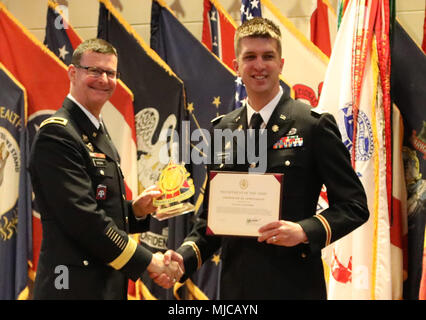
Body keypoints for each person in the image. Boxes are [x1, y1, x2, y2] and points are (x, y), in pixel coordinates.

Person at [160, 18, 369, 299]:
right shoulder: (224, 129)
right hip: (237, 289)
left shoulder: (312, 125)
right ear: (237, 66)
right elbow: (211, 220)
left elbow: (354, 205)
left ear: (281, 64)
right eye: (250, 57)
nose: (259, 65)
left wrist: (304, 231)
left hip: (295, 286)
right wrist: (183, 258)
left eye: (268, 56)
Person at [29, 38, 182, 299]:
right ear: (72, 72)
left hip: (104, 283)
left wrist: (135, 210)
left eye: (110, 73)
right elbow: (84, 218)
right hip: (70, 286)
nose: (103, 79)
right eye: (94, 70)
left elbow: (101, 203)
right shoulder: (58, 134)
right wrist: (150, 262)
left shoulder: (95, 128)